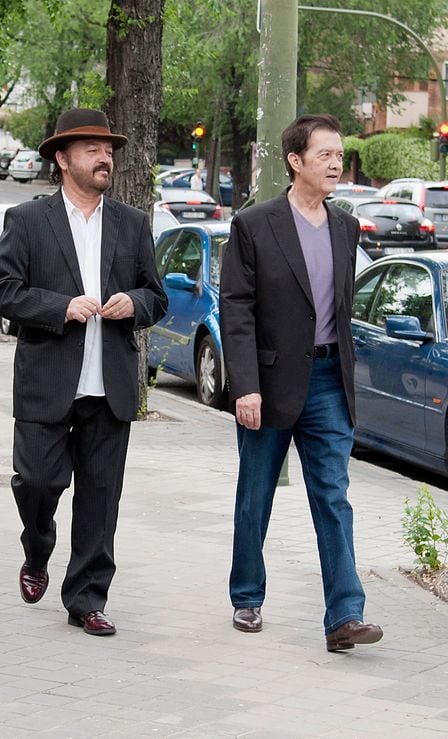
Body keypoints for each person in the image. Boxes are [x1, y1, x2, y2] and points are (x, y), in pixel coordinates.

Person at [0, 108, 167, 636]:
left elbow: (156, 297)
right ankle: (37, 545)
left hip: (109, 384)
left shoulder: (131, 223)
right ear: (63, 160)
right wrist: (60, 307)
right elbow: (2, 293)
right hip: (47, 379)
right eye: (91, 149)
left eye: (108, 149)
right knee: (38, 482)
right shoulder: (27, 220)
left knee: (100, 498)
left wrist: (131, 303)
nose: (104, 156)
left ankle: (86, 598)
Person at [220, 114, 383, 652]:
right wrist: (244, 384)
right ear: (296, 162)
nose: (336, 163)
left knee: (333, 496)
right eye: (325, 155)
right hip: (268, 384)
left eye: (339, 154)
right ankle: (246, 595)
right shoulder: (254, 224)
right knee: (256, 494)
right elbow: (237, 310)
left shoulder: (345, 225)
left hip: (329, 380)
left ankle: (345, 615)